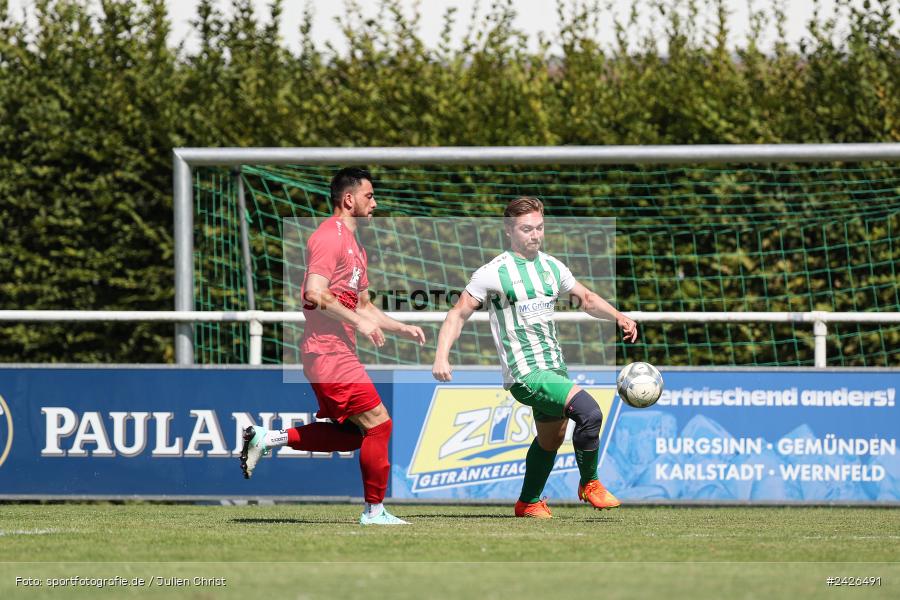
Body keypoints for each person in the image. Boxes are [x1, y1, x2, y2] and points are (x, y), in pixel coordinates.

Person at [240, 167, 426, 526]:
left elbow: (365, 305)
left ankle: (267, 438)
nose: (375, 203)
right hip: (327, 350)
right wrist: (360, 322)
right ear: (348, 199)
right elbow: (313, 291)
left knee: (353, 434)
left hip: (334, 351)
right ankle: (374, 511)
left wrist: (401, 327)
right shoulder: (329, 236)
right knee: (379, 425)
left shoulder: (356, 247)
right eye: (369, 196)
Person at [432, 197, 638, 518]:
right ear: (509, 231)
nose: (535, 235)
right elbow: (458, 315)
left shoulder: (552, 266)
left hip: (554, 369)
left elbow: (586, 298)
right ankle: (590, 483)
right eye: (527, 229)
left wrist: (618, 316)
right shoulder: (492, 273)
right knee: (590, 412)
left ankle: (528, 502)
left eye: (539, 228)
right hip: (524, 373)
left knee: (550, 441)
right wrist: (442, 356)